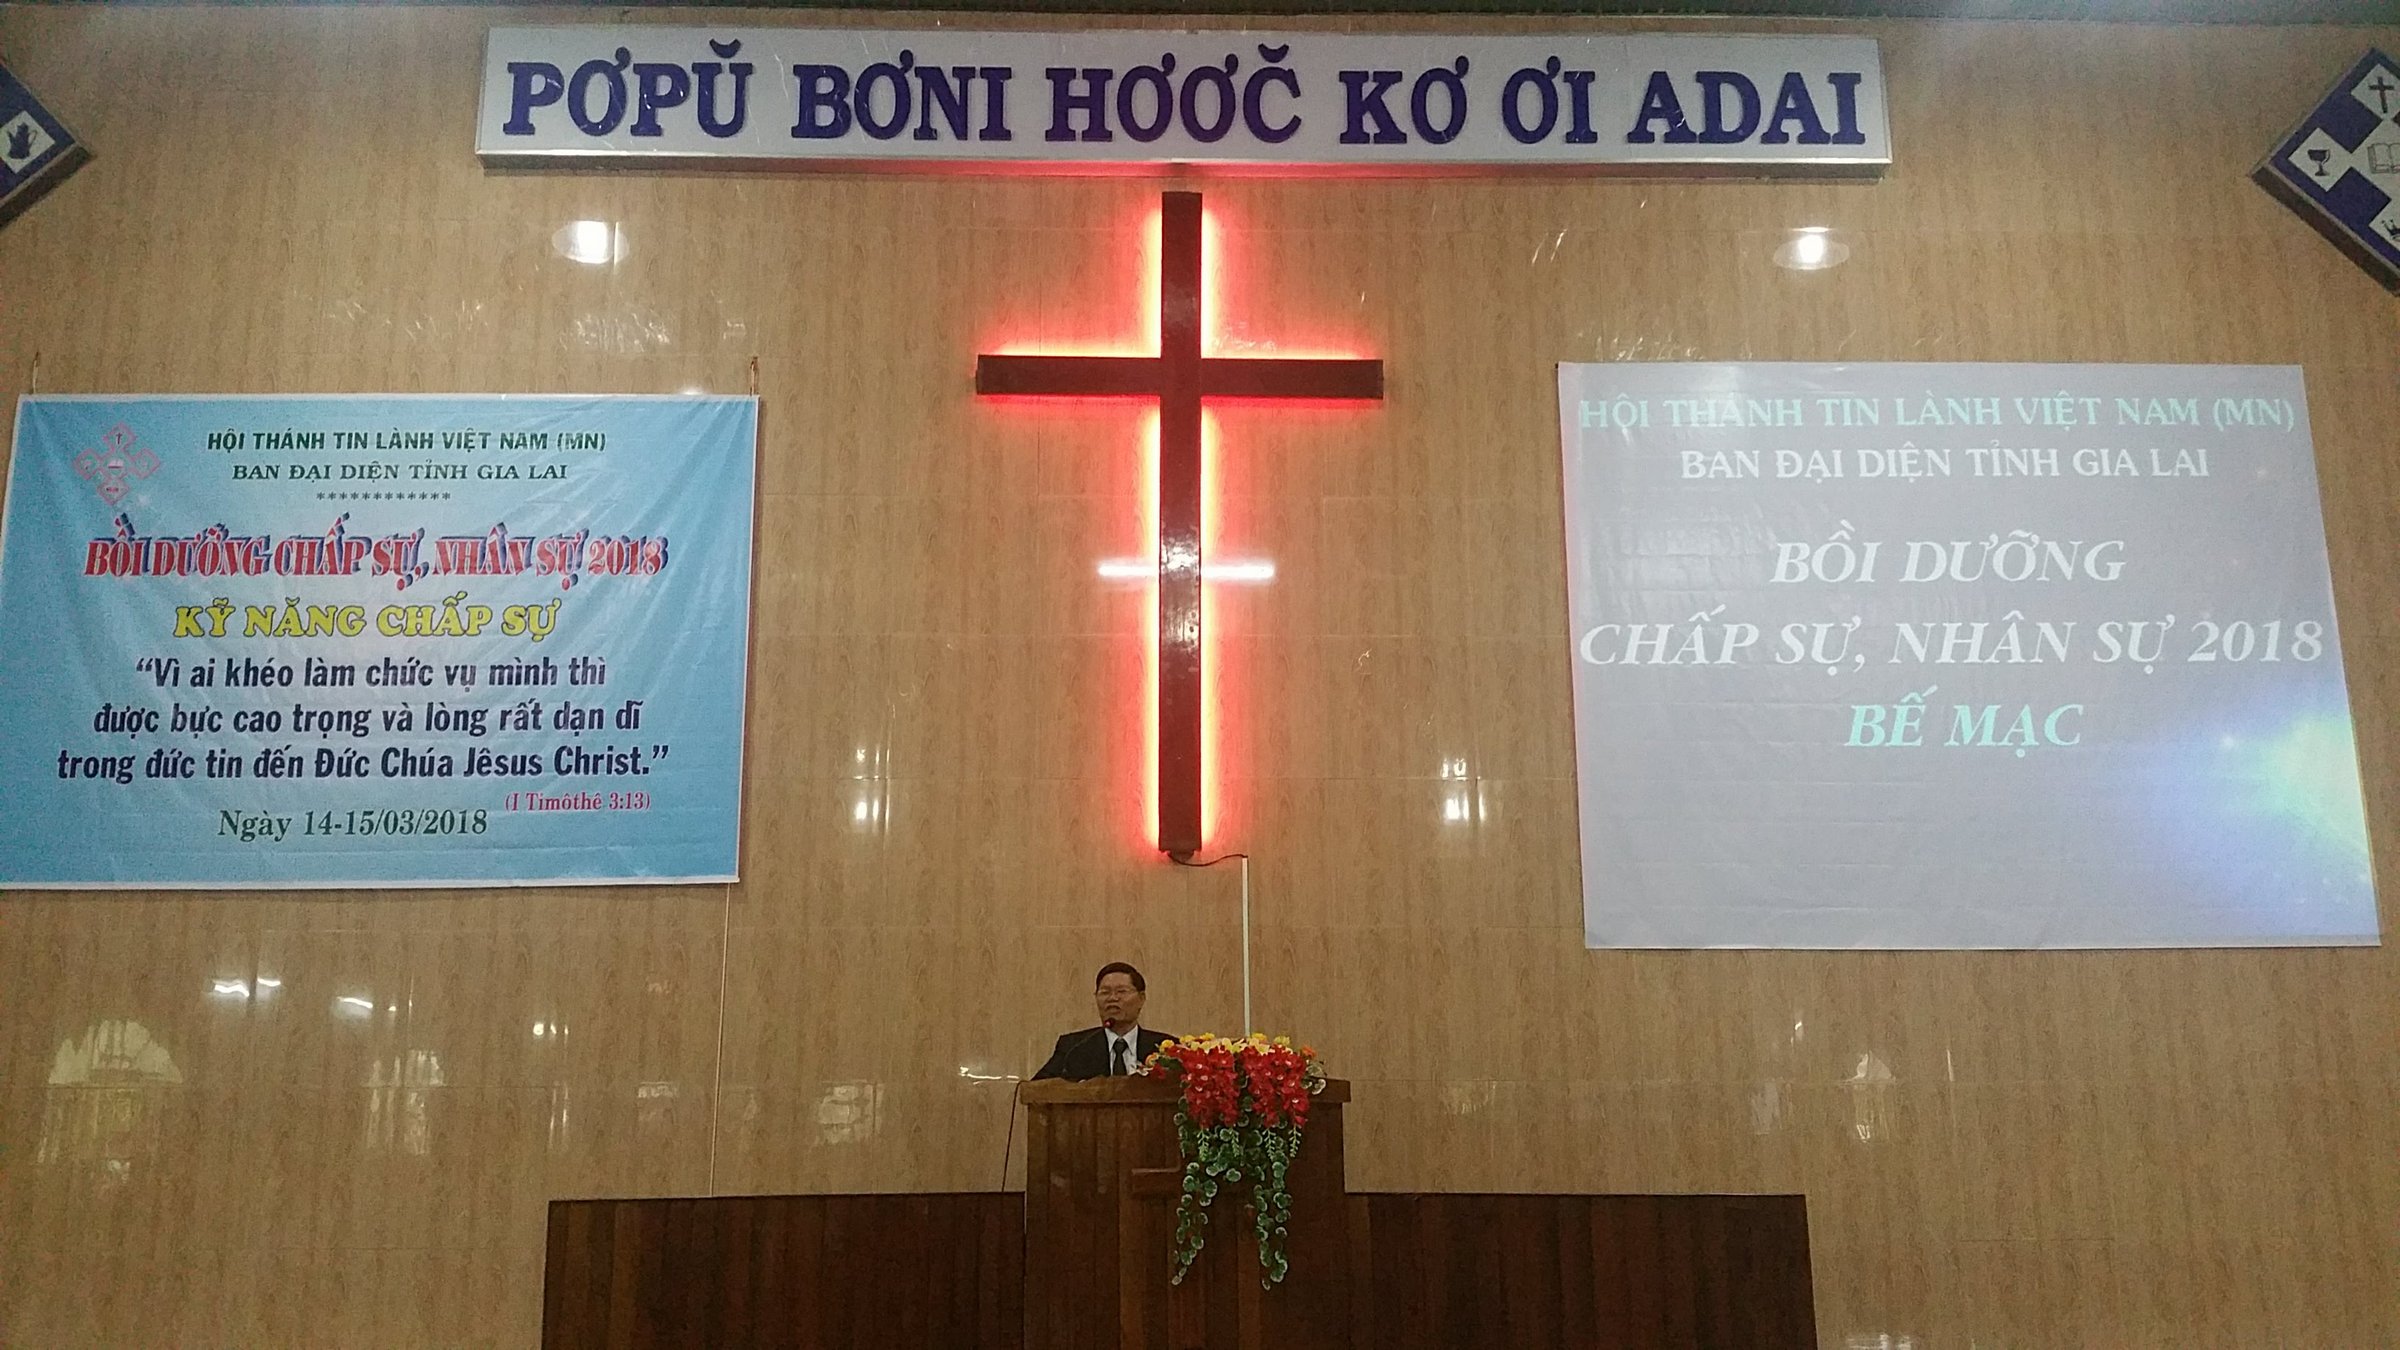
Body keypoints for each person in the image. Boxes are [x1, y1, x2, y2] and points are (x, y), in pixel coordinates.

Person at [1031, 962, 1174, 1081]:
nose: (1112, 998)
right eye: (1105, 992)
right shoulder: (1073, 1047)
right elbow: (1038, 1087)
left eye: (1121, 991)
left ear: (1141, 998)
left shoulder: (1167, 1048)